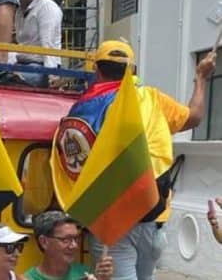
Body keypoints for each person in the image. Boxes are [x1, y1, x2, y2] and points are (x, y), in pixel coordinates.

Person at [52, 40, 217, 280]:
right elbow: (194, 117)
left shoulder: (80, 111)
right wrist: (201, 78)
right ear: (133, 72)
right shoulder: (152, 99)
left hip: (110, 222)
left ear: (97, 70)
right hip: (151, 215)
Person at [7, 0, 62, 87]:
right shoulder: (19, 12)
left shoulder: (46, 7)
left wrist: (51, 75)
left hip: (41, 67)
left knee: (12, 79)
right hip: (22, 63)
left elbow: (48, 44)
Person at [25, 211, 113, 280]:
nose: (74, 245)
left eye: (76, 238)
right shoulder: (27, 278)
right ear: (44, 242)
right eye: (66, 240)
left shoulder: (86, 272)